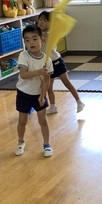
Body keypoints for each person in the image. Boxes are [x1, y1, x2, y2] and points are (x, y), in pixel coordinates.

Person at [14, 24, 54, 157]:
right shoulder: (23, 55)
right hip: (24, 94)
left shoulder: (47, 60)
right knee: (22, 121)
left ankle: (47, 144)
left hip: (38, 95)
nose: (31, 42)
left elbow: (46, 81)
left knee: (43, 121)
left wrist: (42, 95)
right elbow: (23, 75)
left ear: (42, 40)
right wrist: (39, 72)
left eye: (34, 39)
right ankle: (20, 142)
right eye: (27, 40)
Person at [36, 10, 85, 115]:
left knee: (67, 83)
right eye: (40, 19)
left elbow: (46, 38)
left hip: (57, 62)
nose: (41, 22)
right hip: (48, 64)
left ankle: (79, 102)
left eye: (45, 20)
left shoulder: (50, 33)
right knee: (49, 87)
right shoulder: (38, 34)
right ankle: (53, 106)